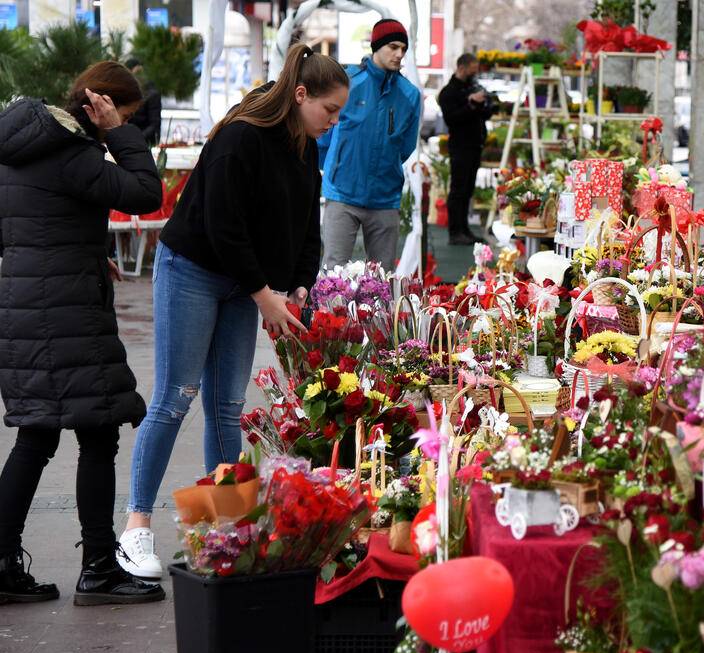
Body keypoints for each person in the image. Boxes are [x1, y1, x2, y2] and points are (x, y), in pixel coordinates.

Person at [118, 44, 350, 579]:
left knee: (226, 407)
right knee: (175, 399)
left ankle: (228, 529)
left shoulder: (304, 146)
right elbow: (224, 224)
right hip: (195, 269)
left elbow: (303, 226)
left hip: (245, 284)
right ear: (300, 95)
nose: (333, 122)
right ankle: (136, 528)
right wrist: (262, 293)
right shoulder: (242, 136)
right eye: (329, 110)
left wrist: (297, 286)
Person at [0, 62, 165, 605]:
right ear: (103, 105)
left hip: (27, 307)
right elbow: (145, 193)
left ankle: (2, 563)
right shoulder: (73, 154)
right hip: (65, 313)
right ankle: (97, 567)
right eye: (127, 113)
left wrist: (86, 254)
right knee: (98, 431)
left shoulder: (23, 148)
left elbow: (33, 224)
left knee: (37, 433)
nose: (127, 123)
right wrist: (121, 132)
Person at [318, 18, 421, 271]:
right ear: (377, 46)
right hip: (342, 193)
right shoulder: (347, 83)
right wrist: (336, 166)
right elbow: (323, 132)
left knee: (381, 279)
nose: (399, 54)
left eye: (403, 49)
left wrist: (387, 167)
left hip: (385, 198)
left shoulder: (410, 95)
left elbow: (406, 147)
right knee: (334, 273)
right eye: (393, 47)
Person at [438, 52, 494, 245]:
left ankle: (464, 229)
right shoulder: (449, 92)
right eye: (472, 71)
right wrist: (470, 105)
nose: (475, 75)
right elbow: (451, 119)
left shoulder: (473, 88)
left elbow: (486, 113)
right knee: (458, 190)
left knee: (468, 190)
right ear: (462, 68)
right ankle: (455, 232)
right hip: (460, 147)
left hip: (475, 145)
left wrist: (483, 103)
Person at [125, 58, 162, 146]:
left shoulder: (151, 94)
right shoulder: (128, 91)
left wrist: (137, 140)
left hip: (144, 143)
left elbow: (154, 123)